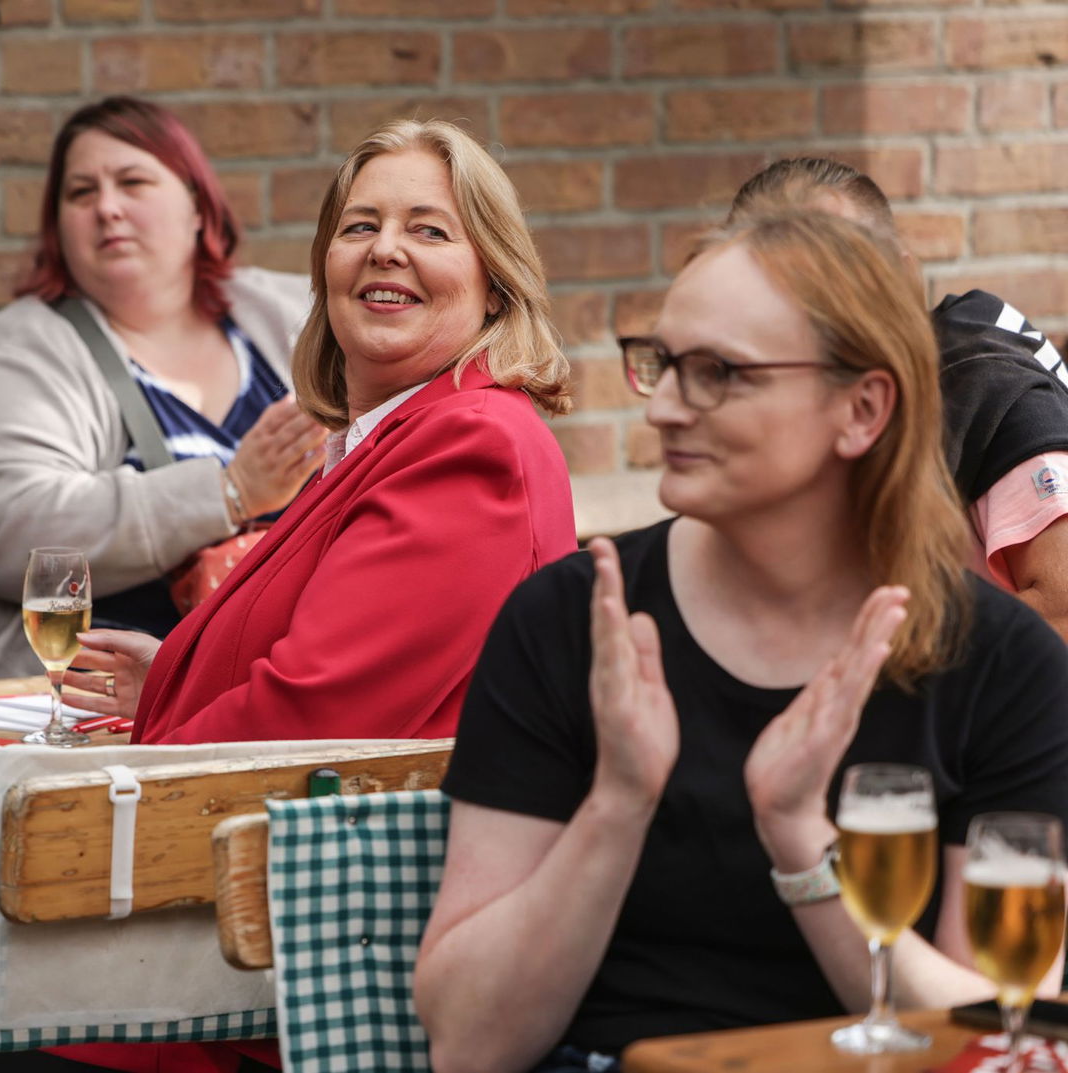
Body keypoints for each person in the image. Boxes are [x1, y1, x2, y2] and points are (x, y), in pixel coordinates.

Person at [0, 118, 579, 1073]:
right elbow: (329, 673)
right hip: (244, 900)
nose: (387, 248)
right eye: (359, 224)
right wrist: (178, 671)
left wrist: (53, 876)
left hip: (278, 963)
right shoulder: (392, 433)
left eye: (430, 229)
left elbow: (313, 720)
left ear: (495, 278)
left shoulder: (469, 445)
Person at [414, 210, 1068, 1073]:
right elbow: (469, 1043)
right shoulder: (572, 622)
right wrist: (617, 804)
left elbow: (1003, 1039)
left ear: (862, 407)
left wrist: (801, 841)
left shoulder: (1005, 665)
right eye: (665, 365)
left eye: (720, 373)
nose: (667, 409)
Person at [0, 96, 326, 690]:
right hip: (28, 707)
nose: (107, 207)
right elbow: (13, 531)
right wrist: (230, 491)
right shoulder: (16, 353)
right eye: (80, 193)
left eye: (133, 182)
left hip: (245, 687)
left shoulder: (293, 317)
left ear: (199, 208)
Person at [727, 157, 1068, 639]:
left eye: (836, 274)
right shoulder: (772, 406)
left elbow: (1061, 607)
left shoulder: (981, 384)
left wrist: (880, 675)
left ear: (903, 277)